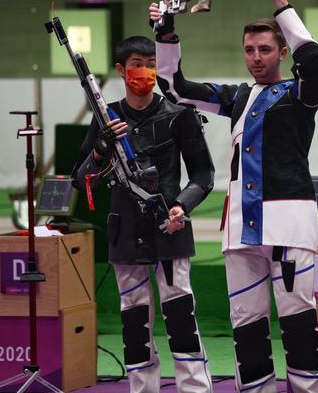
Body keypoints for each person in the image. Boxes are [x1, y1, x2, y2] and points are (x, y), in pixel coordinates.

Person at [150, 0, 318, 392]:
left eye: (265, 49)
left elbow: (316, 61)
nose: (255, 57)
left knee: (298, 322)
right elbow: (173, 88)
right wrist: (165, 31)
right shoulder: (237, 96)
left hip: (288, 225)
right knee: (247, 326)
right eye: (249, 49)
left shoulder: (301, 93)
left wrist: (281, 4)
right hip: (241, 228)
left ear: (282, 52)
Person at [71, 36, 215, 393]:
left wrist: (183, 204)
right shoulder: (105, 118)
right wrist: (103, 146)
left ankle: (195, 388)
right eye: (138, 63)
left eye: (152, 63)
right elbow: (80, 179)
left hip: (170, 227)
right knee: (134, 321)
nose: (146, 71)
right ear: (121, 70)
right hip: (126, 231)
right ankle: (142, 388)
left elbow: (203, 174)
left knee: (181, 317)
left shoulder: (180, 114)